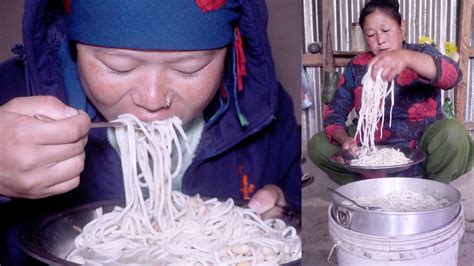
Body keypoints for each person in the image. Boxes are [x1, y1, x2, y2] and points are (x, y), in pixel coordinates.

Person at [0, 0, 302, 264]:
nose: (153, 99)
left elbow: (300, 206)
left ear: (230, 49)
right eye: (118, 67)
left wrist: (282, 218)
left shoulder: (266, 116)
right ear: (74, 47)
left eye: (189, 68)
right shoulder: (9, 94)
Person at [308, 0, 473, 185]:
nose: (380, 40)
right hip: (369, 149)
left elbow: (453, 76)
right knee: (318, 144)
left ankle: (432, 188)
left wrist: (406, 57)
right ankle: (365, 187)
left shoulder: (421, 53)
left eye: (386, 31)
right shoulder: (357, 65)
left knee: (454, 134)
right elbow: (334, 114)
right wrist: (345, 139)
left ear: (402, 26)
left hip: (419, 149)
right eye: (371, 34)